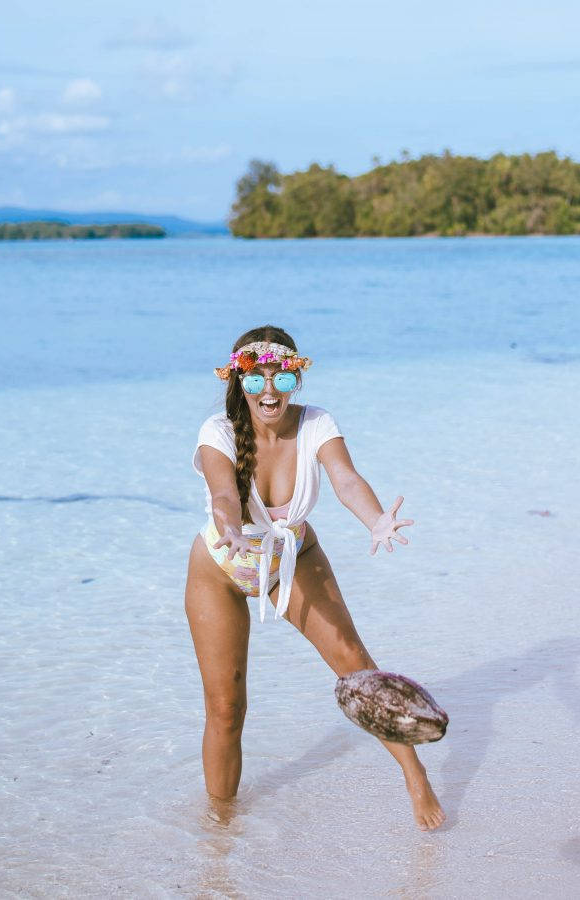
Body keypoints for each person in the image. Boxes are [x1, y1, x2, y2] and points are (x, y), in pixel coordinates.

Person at [185, 324, 445, 830]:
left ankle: (416, 776)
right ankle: (220, 827)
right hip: (220, 566)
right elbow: (222, 495)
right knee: (226, 706)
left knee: (358, 668)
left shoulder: (317, 424)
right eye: (256, 379)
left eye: (280, 379)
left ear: (296, 380)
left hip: (293, 558)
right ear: (239, 382)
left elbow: (346, 478)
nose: (268, 391)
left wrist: (375, 520)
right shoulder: (217, 431)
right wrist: (228, 529)